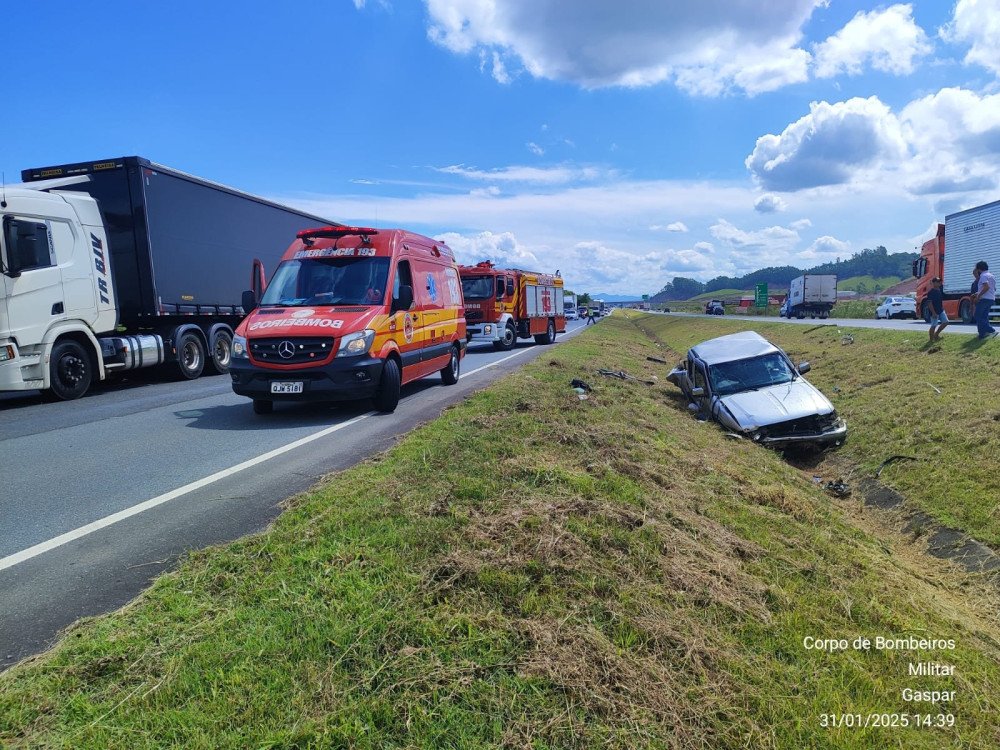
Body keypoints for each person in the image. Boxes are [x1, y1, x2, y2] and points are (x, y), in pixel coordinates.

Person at [971, 261, 997, 339]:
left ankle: (992, 330)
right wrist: (977, 293)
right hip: (991, 298)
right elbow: (993, 288)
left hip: (984, 299)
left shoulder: (983, 276)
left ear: (979, 269)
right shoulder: (991, 276)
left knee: (977, 315)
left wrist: (978, 296)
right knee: (984, 316)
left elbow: (986, 287)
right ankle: (982, 335)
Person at [927, 277, 948, 342]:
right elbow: (929, 303)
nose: (939, 283)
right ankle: (931, 340)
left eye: (940, 281)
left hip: (940, 310)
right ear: (933, 283)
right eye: (937, 281)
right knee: (934, 325)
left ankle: (936, 334)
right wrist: (933, 313)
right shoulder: (931, 292)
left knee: (945, 322)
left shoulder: (940, 290)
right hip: (934, 311)